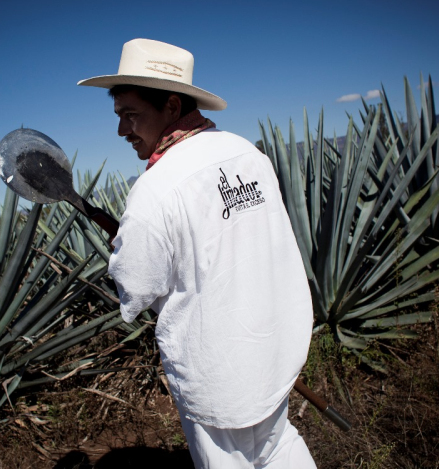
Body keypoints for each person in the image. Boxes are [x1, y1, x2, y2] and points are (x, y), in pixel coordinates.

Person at [78, 38, 316, 468]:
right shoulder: (248, 152)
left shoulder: (154, 189)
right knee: (278, 444)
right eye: (119, 116)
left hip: (218, 371)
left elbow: (136, 291)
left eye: (131, 115)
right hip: (276, 348)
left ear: (171, 106)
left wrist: (124, 250)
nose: (121, 131)